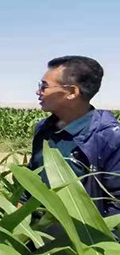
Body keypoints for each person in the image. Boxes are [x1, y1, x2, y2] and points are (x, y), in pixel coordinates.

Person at [30, 55, 120, 217]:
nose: (38, 92)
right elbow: (32, 180)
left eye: (44, 86)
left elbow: (117, 205)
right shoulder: (43, 129)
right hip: (37, 237)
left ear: (71, 92)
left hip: (84, 239)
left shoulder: (109, 137)